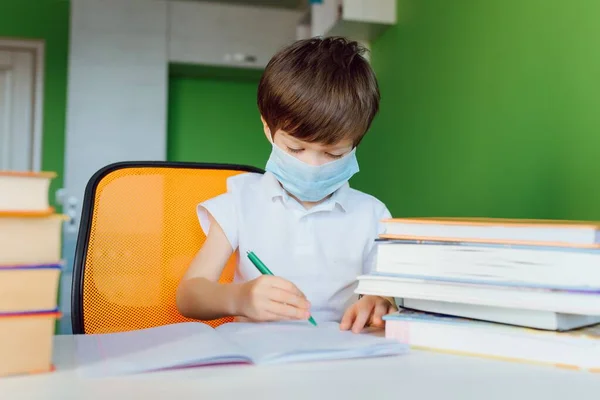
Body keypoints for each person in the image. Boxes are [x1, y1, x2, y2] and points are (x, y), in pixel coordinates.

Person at [176, 37, 395, 333]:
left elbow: (386, 296)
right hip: (259, 362)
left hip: (341, 360)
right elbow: (189, 296)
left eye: (334, 153)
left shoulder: (373, 215)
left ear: (356, 143)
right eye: (296, 149)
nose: (313, 165)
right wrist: (239, 298)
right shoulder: (240, 201)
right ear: (268, 129)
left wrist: (380, 302)